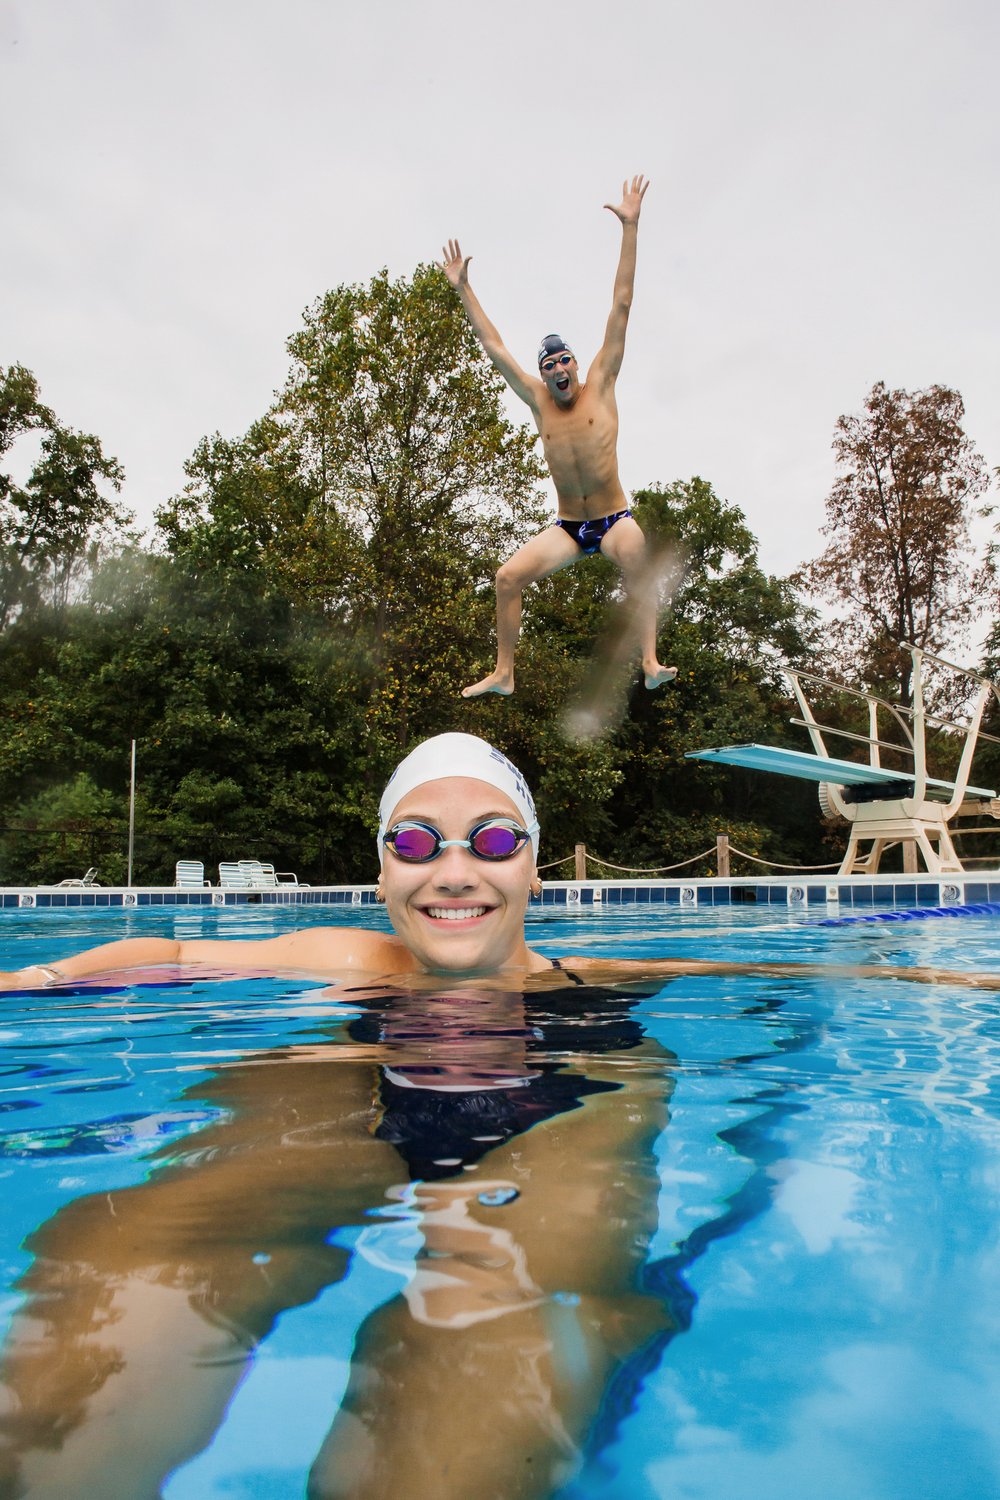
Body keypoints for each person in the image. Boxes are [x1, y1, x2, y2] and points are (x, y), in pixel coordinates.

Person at [2, 730, 997, 997]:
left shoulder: (586, 978)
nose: (452, 869)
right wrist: (35, 974)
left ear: (528, 868)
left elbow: (746, 968)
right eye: (414, 842)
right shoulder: (340, 958)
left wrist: (932, 971)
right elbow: (170, 949)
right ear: (382, 872)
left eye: (488, 839)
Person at [439, 176, 679, 699]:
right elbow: (493, 344)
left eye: (564, 360)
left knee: (640, 563)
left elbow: (621, 305)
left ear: (575, 363)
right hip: (570, 527)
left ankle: (650, 660)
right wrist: (463, 287)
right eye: (550, 365)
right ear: (544, 374)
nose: (559, 370)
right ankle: (504, 673)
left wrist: (631, 227)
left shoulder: (601, 383)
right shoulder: (536, 398)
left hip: (615, 521)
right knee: (506, 578)